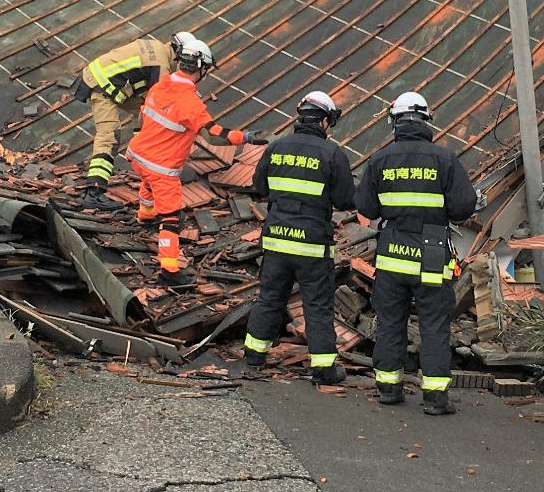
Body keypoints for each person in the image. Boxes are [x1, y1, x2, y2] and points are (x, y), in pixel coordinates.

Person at [355, 91, 480, 415]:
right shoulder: (444, 159)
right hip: (432, 253)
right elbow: (464, 207)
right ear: (426, 120)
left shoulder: (380, 160)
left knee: (390, 321)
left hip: (392, 252)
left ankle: (388, 389)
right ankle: (436, 398)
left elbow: (365, 207)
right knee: (434, 324)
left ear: (394, 122)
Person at [242, 91, 356, 386]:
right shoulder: (333, 154)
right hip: (312, 245)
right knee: (317, 305)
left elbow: (259, 187)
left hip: (277, 240)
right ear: (326, 120)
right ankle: (323, 368)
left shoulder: (276, 148)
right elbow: (345, 200)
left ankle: (254, 356)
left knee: (269, 297)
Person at [125, 35, 250, 279]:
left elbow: (143, 118)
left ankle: (145, 215)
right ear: (202, 68)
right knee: (171, 217)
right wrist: (246, 138)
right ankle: (169, 268)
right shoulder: (190, 103)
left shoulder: (160, 86)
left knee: (148, 183)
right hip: (161, 167)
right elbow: (215, 136)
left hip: (137, 154)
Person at [73, 32, 196, 206]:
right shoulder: (161, 65)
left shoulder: (156, 48)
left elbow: (146, 103)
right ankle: (93, 192)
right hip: (102, 88)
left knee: (141, 111)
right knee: (109, 137)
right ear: (179, 54)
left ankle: (143, 158)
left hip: (110, 84)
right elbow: (160, 105)